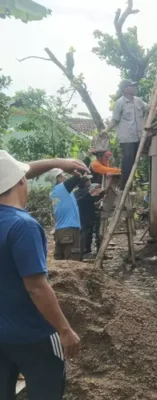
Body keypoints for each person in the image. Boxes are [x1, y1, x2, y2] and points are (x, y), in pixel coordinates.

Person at [0, 151, 81, 400]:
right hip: (34, 336)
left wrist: (58, 163)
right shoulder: (23, 226)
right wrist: (65, 330)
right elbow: (36, 287)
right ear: (22, 182)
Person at [101, 80, 148, 190]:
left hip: (139, 137)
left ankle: (129, 189)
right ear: (125, 89)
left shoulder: (139, 101)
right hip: (127, 139)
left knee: (135, 164)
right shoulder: (120, 103)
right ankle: (124, 189)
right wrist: (106, 130)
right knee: (128, 164)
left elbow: (149, 108)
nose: (134, 88)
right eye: (132, 86)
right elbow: (114, 120)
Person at [50, 169, 86, 261]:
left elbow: (71, 204)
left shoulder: (56, 192)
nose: (66, 176)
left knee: (61, 263)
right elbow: (77, 177)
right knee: (72, 262)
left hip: (60, 230)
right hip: (70, 230)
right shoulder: (61, 188)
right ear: (58, 178)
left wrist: (89, 194)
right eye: (63, 174)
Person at [74, 177, 104, 257]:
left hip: (90, 216)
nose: (90, 182)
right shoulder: (77, 193)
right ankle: (83, 252)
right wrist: (89, 194)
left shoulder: (90, 191)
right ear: (84, 182)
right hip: (82, 217)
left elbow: (91, 203)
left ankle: (89, 250)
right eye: (88, 180)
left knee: (91, 234)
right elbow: (79, 202)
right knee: (84, 234)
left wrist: (98, 203)